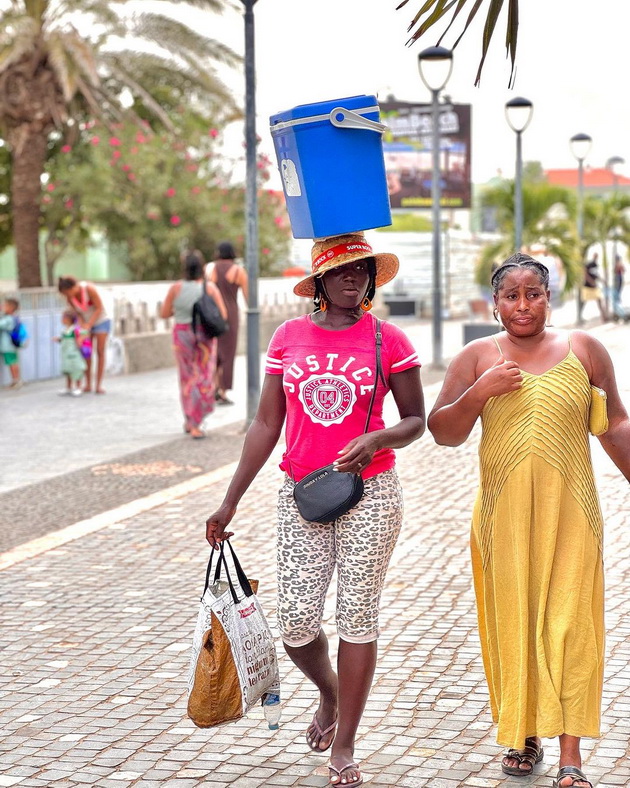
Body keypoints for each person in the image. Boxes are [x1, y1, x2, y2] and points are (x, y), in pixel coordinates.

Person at [205, 232, 425, 787]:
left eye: (363, 271)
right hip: (302, 493)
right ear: (321, 281)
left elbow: (415, 420)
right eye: (342, 270)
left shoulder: (387, 339)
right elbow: (264, 424)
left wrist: (376, 440)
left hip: (371, 494)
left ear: (371, 280)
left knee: (357, 615)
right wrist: (229, 501)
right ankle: (329, 693)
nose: (353, 278)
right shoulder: (288, 337)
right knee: (297, 622)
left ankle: (345, 742)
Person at [428, 253, 630, 788]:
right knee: (515, 622)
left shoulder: (584, 351)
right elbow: (443, 432)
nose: (523, 305)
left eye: (533, 294)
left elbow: (614, 426)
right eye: (511, 296)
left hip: (573, 516)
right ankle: (523, 734)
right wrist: (478, 393)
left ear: (549, 297)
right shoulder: (476, 356)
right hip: (504, 522)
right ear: (495, 304)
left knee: (572, 626)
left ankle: (571, 755)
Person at [160, 252, 227, 439]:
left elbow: (164, 313)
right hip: (204, 336)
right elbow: (223, 316)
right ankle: (197, 422)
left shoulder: (176, 288)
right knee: (204, 376)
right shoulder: (210, 288)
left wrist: (182, 309)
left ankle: (190, 420)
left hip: (182, 335)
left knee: (186, 377)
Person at [207, 241, 248, 405]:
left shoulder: (209, 269)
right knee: (228, 354)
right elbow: (248, 297)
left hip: (211, 315)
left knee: (213, 352)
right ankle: (223, 392)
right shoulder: (238, 271)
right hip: (230, 314)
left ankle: (212, 388)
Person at [58, 276, 111, 393]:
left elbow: (99, 308)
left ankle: (98, 385)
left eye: (68, 292)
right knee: (87, 352)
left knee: (100, 351)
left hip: (101, 320)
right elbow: (78, 314)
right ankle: (88, 384)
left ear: (73, 287)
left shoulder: (89, 289)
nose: (68, 295)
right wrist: (83, 328)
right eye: (65, 294)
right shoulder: (70, 299)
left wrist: (89, 324)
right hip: (86, 323)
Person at [54, 310, 87, 397]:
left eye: (63, 318)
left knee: (76, 370)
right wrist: (58, 340)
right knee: (68, 370)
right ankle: (68, 387)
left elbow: (85, 333)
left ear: (69, 319)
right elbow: (64, 340)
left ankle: (78, 387)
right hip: (66, 354)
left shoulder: (75, 329)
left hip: (74, 354)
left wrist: (80, 340)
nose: (62, 320)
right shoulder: (65, 330)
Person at [0, 297, 23, 389]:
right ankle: (16, 380)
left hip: (8, 346)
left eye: (5, 305)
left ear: (11, 308)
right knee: (13, 362)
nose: (3, 307)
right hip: (11, 345)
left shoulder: (9, 318)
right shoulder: (13, 317)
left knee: (12, 362)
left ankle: (16, 380)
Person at [580, 252, 607, 323]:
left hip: (594, 287)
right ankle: (580, 317)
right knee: (583, 301)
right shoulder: (589, 264)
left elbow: (596, 275)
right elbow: (585, 273)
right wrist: (591, 281)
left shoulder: (596, 265)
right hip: (587, 286)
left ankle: (603, 318)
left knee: (599, 300)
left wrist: (602, 280)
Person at [612, 254, 625, 321]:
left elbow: (622, 270)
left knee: (617, 297)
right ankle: (617, 313)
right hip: (618, 280)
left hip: (618, 280)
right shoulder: (618, 264)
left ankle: (620, 313)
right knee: (616, 297)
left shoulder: (618, 264)